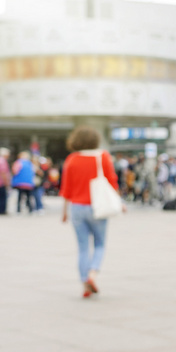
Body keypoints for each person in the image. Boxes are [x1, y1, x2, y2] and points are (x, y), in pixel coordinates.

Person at [60, 126, 121, 298]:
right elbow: (112, 181)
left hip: (77, 208)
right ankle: (92, 274)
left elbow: (66, 189)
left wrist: (64, 211)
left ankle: (84, 283)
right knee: (100, 244)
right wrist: (119, 201)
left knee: (82, 248)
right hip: (98, 207)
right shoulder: (102, 157)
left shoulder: (71, 159)